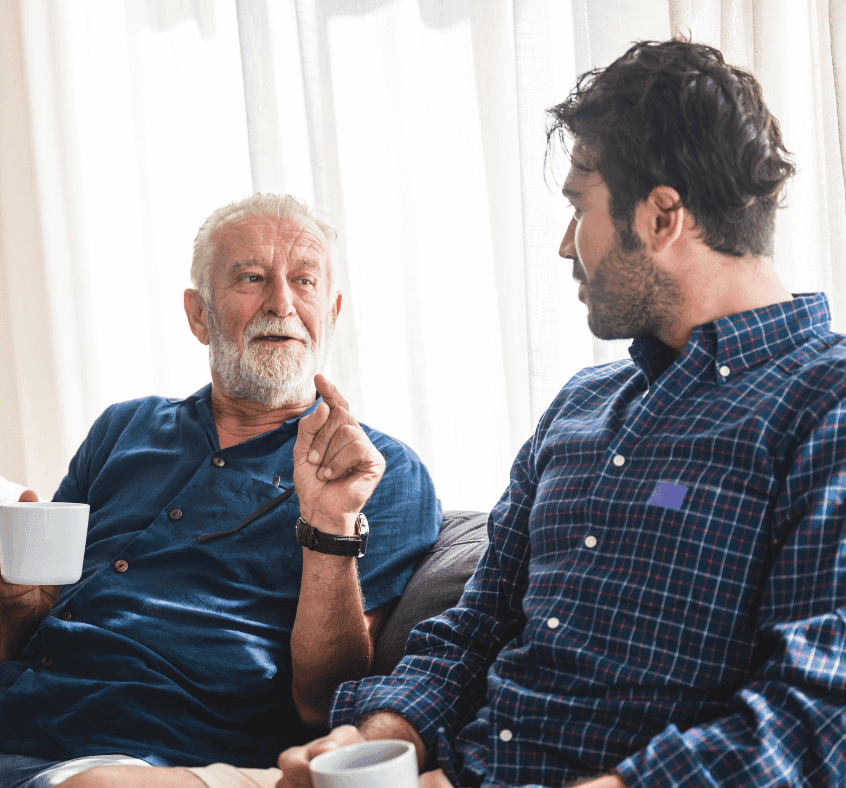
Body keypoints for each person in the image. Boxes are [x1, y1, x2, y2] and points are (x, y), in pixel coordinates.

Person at [64, 38, 846, 787]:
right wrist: (371, 739)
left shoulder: (823, 408)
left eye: (581, 206)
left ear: (661, 217)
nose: (567, 246)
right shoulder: (583, 408)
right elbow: (472, 633)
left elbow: (816, 722)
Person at [0, 193, 442, 787]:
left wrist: (328, 527)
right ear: (199, 314)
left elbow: (324, 699)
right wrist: (13, 596)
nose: (282, 303)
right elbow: (23, 643)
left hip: (146, 758)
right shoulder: (124, 428)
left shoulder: (377, 471)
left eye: (304, 281)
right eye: (251, 278)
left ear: (332, 311)